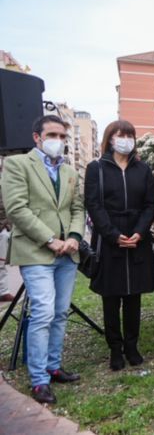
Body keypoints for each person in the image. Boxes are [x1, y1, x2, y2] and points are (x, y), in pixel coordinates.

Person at [1, 115, 85, 404]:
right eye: (53, 135)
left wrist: (74, 236)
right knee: (43, 312)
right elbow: (16, 209)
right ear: (37, 137)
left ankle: (53, 366)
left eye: (63, 136)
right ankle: (38, 380)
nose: (58, 141)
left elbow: (77, 207)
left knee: (60, 312)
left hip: (67, 252)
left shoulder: (70, 171)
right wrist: (50, 240)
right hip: (37, 251)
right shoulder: (17, 164)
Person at [84, 120, 154, 371]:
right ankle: (115, 348)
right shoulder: (96, 168)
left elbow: (150, 205)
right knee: (111, 297)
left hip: (138, 237)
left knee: (133, 296)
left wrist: (139, 232)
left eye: (129, 135)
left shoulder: (144, 170)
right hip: (110, 239)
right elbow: (94, 205)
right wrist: (113, 235)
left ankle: (132, 345)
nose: (125, 139)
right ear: (110, 138)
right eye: (120, 134)